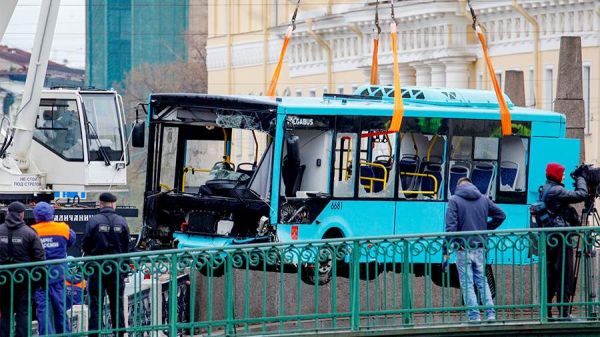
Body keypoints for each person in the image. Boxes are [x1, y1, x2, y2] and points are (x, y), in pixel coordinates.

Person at [444, 177, 506, 322]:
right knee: (481, 280)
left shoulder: (454, 200)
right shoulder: (483, 199)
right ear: (472, 184)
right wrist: (485, 228)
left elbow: (450, 228)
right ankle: (490, 313)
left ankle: (474, 316)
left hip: (462, 248)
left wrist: (445, 250)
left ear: (458, 186)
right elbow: (501, 215)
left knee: (467, 283)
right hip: (480, 247)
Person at [541, 162, 588, 320]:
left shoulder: (545, 188)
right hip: (561, 238)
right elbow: (581, 195)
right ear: (555, 174)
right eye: (561, 173)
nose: (563, 176)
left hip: (551, 237)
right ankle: (564, 313)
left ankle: (546, 312)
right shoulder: (556, 190)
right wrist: (581, 177)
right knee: (564, 274)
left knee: (552, 275)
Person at [82, 193, 131, 337]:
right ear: (113, 204)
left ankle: (94, 334)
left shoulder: (93, 221)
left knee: (95, 304)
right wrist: (124, 268)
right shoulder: (122, 221)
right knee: (117, 303)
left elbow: (85, 244)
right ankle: (119, 333)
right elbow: (126, 246)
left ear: (100, 204)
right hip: (116, 268)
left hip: (97, 268)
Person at [0, 202, 46, 337]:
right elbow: (39, 259)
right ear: (22, 215)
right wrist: (41, 282)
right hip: (24, 280)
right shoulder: (30, 233)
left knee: (5, 312)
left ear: (8, 213)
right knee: (23, 312)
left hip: (3, 279)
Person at [31, 202, 76, 335]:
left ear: (36, 215)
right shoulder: (63, 228)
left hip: (40, 274)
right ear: (51, 214)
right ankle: (64, 333)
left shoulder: (32, 230)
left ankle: (46, 334)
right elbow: (72, 242)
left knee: (42, 307)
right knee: (60, 306)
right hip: (58, 273)